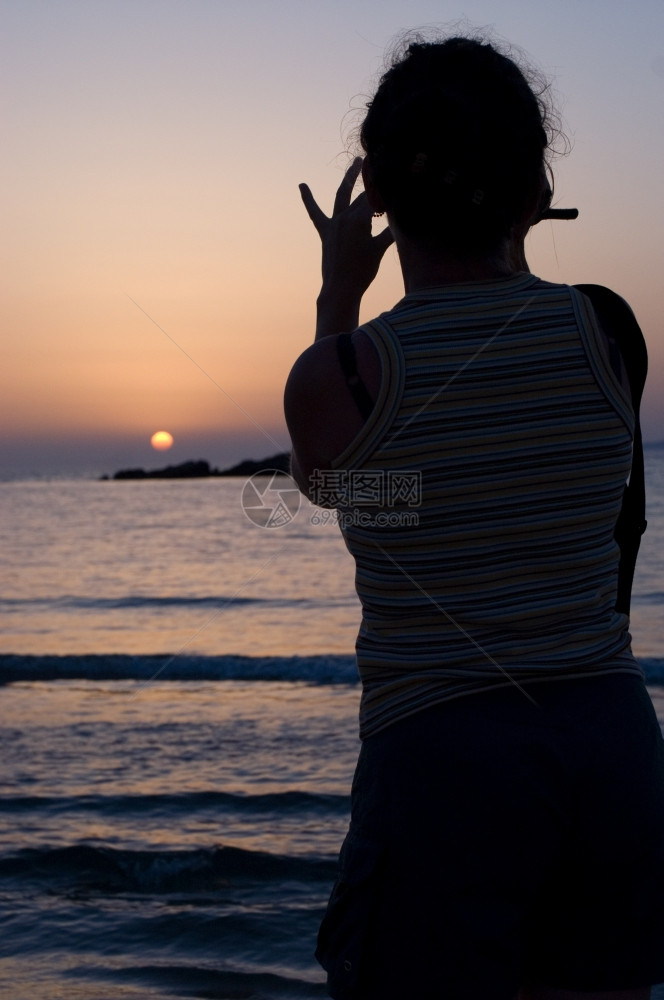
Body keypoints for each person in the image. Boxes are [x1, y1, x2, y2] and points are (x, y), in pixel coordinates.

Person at [284, 31, 664, 1000]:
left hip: (445, 760)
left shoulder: (344, 376)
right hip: (611, 747)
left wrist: (338, 290)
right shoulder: (609, 332)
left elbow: (332, 485)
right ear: (532, 185)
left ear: (378, 189)